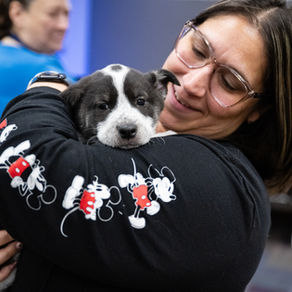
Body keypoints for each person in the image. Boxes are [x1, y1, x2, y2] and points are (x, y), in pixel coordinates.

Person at [0, 0, 291, 290]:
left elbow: (30, 162)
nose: (191, 83)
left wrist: (47, 85)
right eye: (198, 50)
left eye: (229, 82)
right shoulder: (160, 137)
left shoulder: (224, 187)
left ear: (259, 110)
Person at [0, 0, 72, 115]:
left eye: (67, 14)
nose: (64, 26)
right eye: (53, 14)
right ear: (17, 13)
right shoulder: (41, 68)